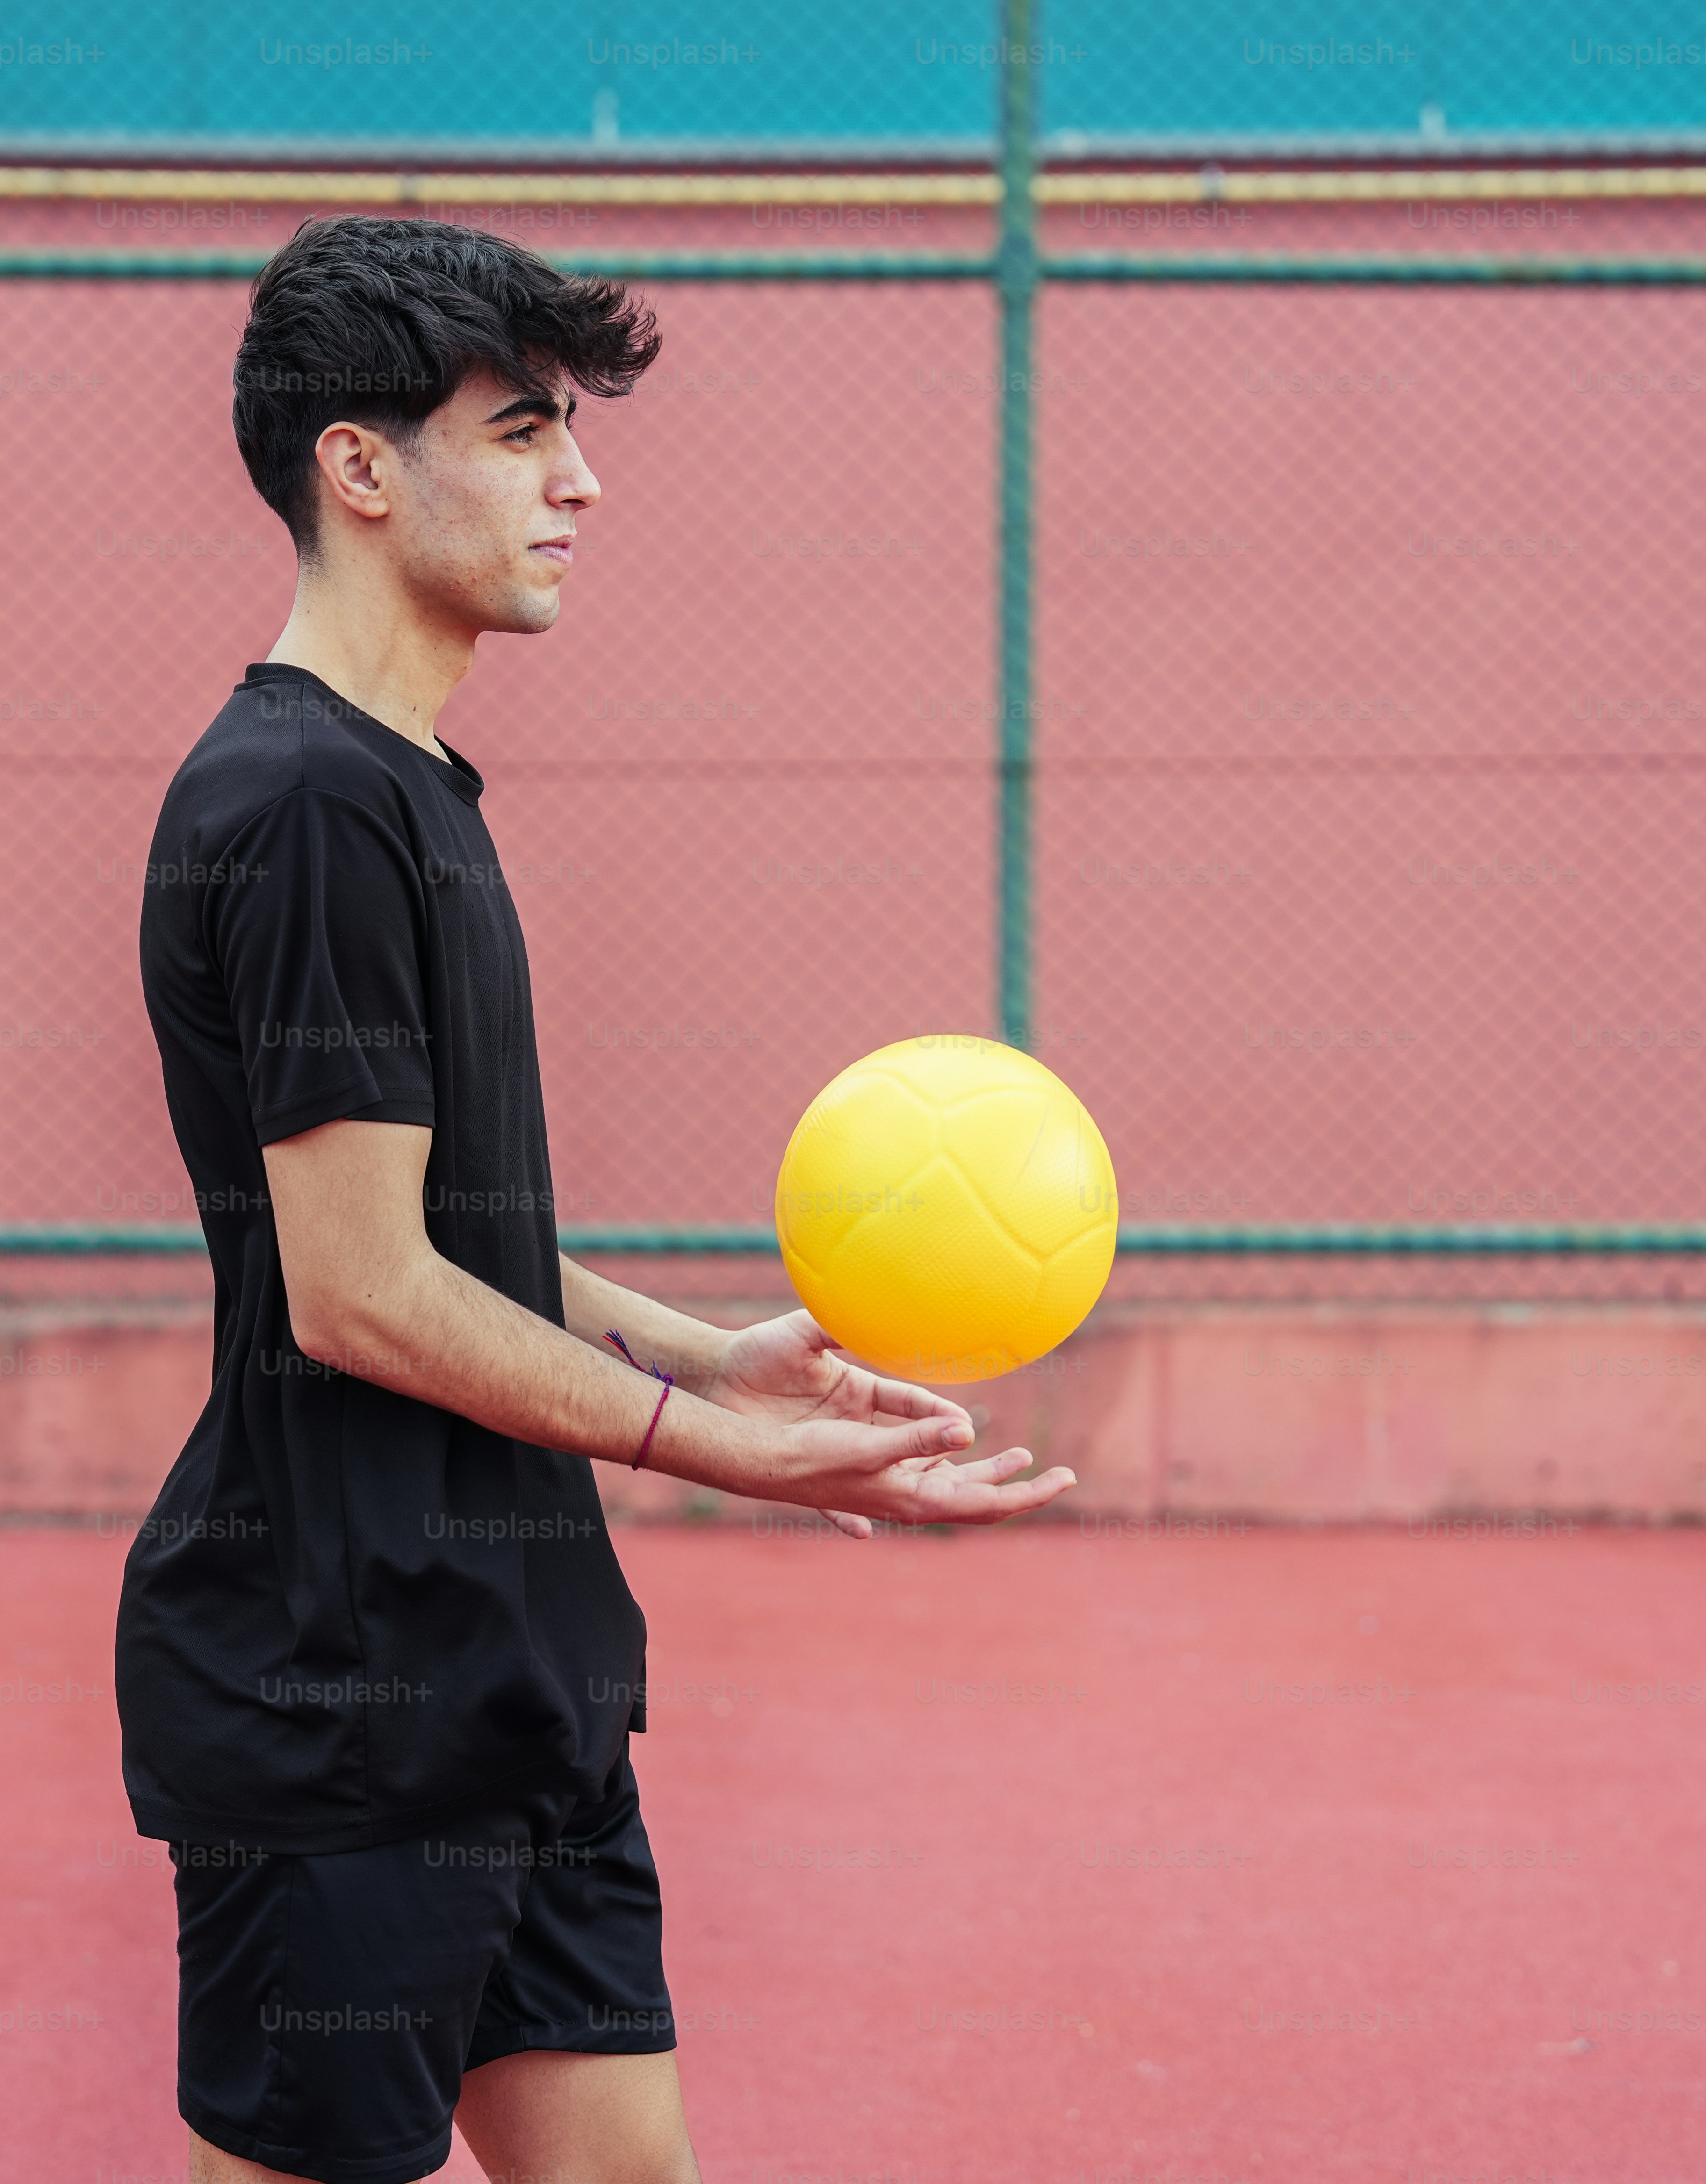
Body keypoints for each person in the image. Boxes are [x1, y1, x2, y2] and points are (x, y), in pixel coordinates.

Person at [120, 216, 1078, 2184]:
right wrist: (722, 1448)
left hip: (509, 1672)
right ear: (360, 467)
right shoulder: (301, 806)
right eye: (524, 429)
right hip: (346, 1688)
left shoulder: (403, 786)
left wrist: (703, 1341)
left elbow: (430, 1228)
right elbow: (358, 1289)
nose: (584, 478)